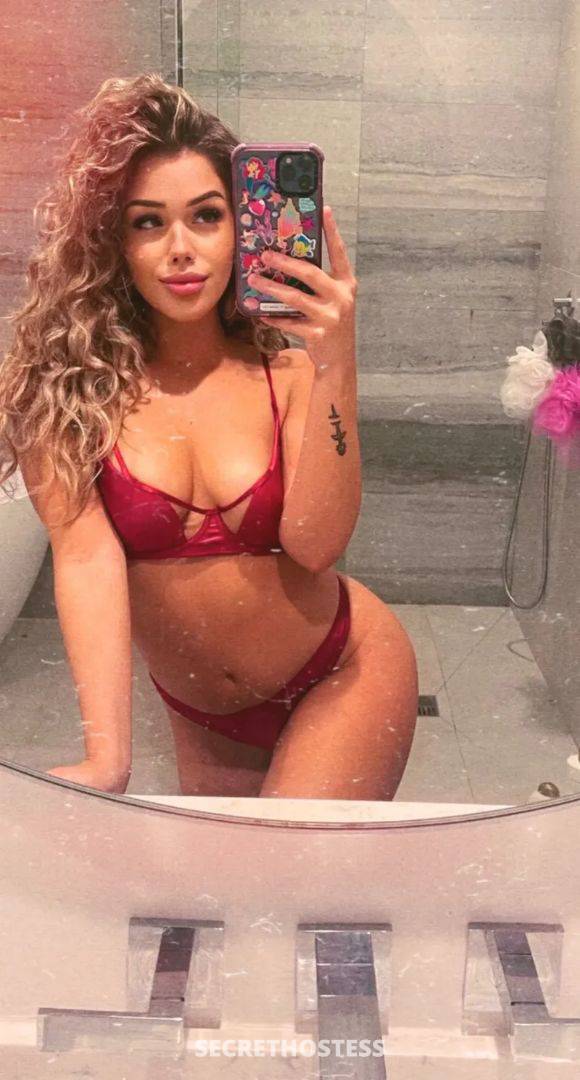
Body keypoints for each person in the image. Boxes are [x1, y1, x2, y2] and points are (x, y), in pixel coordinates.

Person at [0, 74, 418, 799]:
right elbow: (85, 561)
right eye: (148, 222)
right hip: (203, 716)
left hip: (343, 670)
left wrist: (336, 364)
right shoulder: (64, 396)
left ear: (242, 229)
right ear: (112, 242)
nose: (181, 249)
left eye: (206, 216)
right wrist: (107, 758)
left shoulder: (288, 375)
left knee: (286, 863)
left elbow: (317, 545)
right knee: (235, 873)